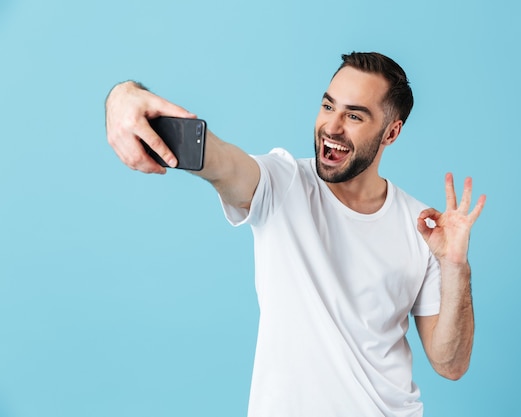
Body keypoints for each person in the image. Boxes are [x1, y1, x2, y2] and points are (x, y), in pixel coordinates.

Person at [105, 51, 486, 417]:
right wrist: (125, 96)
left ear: (391, 133)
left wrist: (455, 265)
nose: (332, 127)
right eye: (328, 106)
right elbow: (219, 160)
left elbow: (450, 364)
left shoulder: (421, 226)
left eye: (354, 115)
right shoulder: (281, 183)